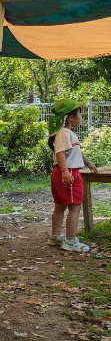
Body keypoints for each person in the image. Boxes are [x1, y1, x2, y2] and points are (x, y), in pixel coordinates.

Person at [48, 99, 97, 252]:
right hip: (68, 173)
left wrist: (88, 163)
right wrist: (65, 172)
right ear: (70, 118)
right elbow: (60, 153)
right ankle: (70, 241)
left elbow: (76, 152)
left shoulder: (67, 134)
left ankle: (55, 236)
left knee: (61, 206)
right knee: (74, 207)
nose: (81, 117)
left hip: (63, 172)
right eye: (79, 115)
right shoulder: (64, 133)